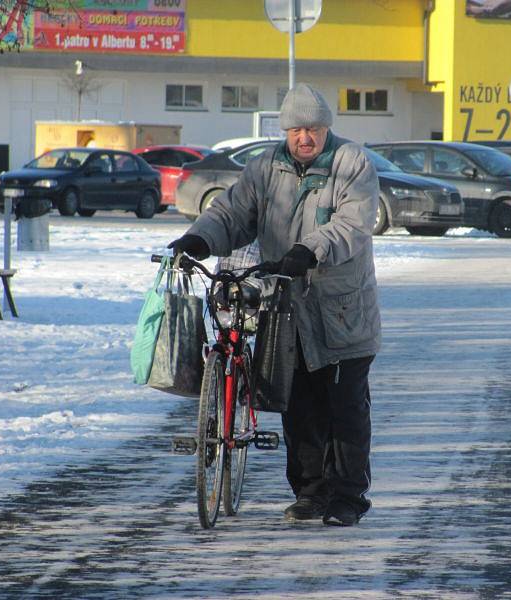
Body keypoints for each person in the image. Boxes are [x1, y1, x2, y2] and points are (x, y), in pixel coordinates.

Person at [167, 83, 381, 527]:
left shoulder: (350, 163)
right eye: (298, 129)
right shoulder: (265, 169)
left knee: (344, 407)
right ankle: (310, 492)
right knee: (298, 403)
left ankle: (347, 497)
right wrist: (200, 237)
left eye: (315, 129)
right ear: (286, 130)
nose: (306, 137)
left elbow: (353, 223)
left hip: (340, 309)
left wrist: (310, 249)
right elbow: (232, 213)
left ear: (327, 130)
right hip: (285, 307)